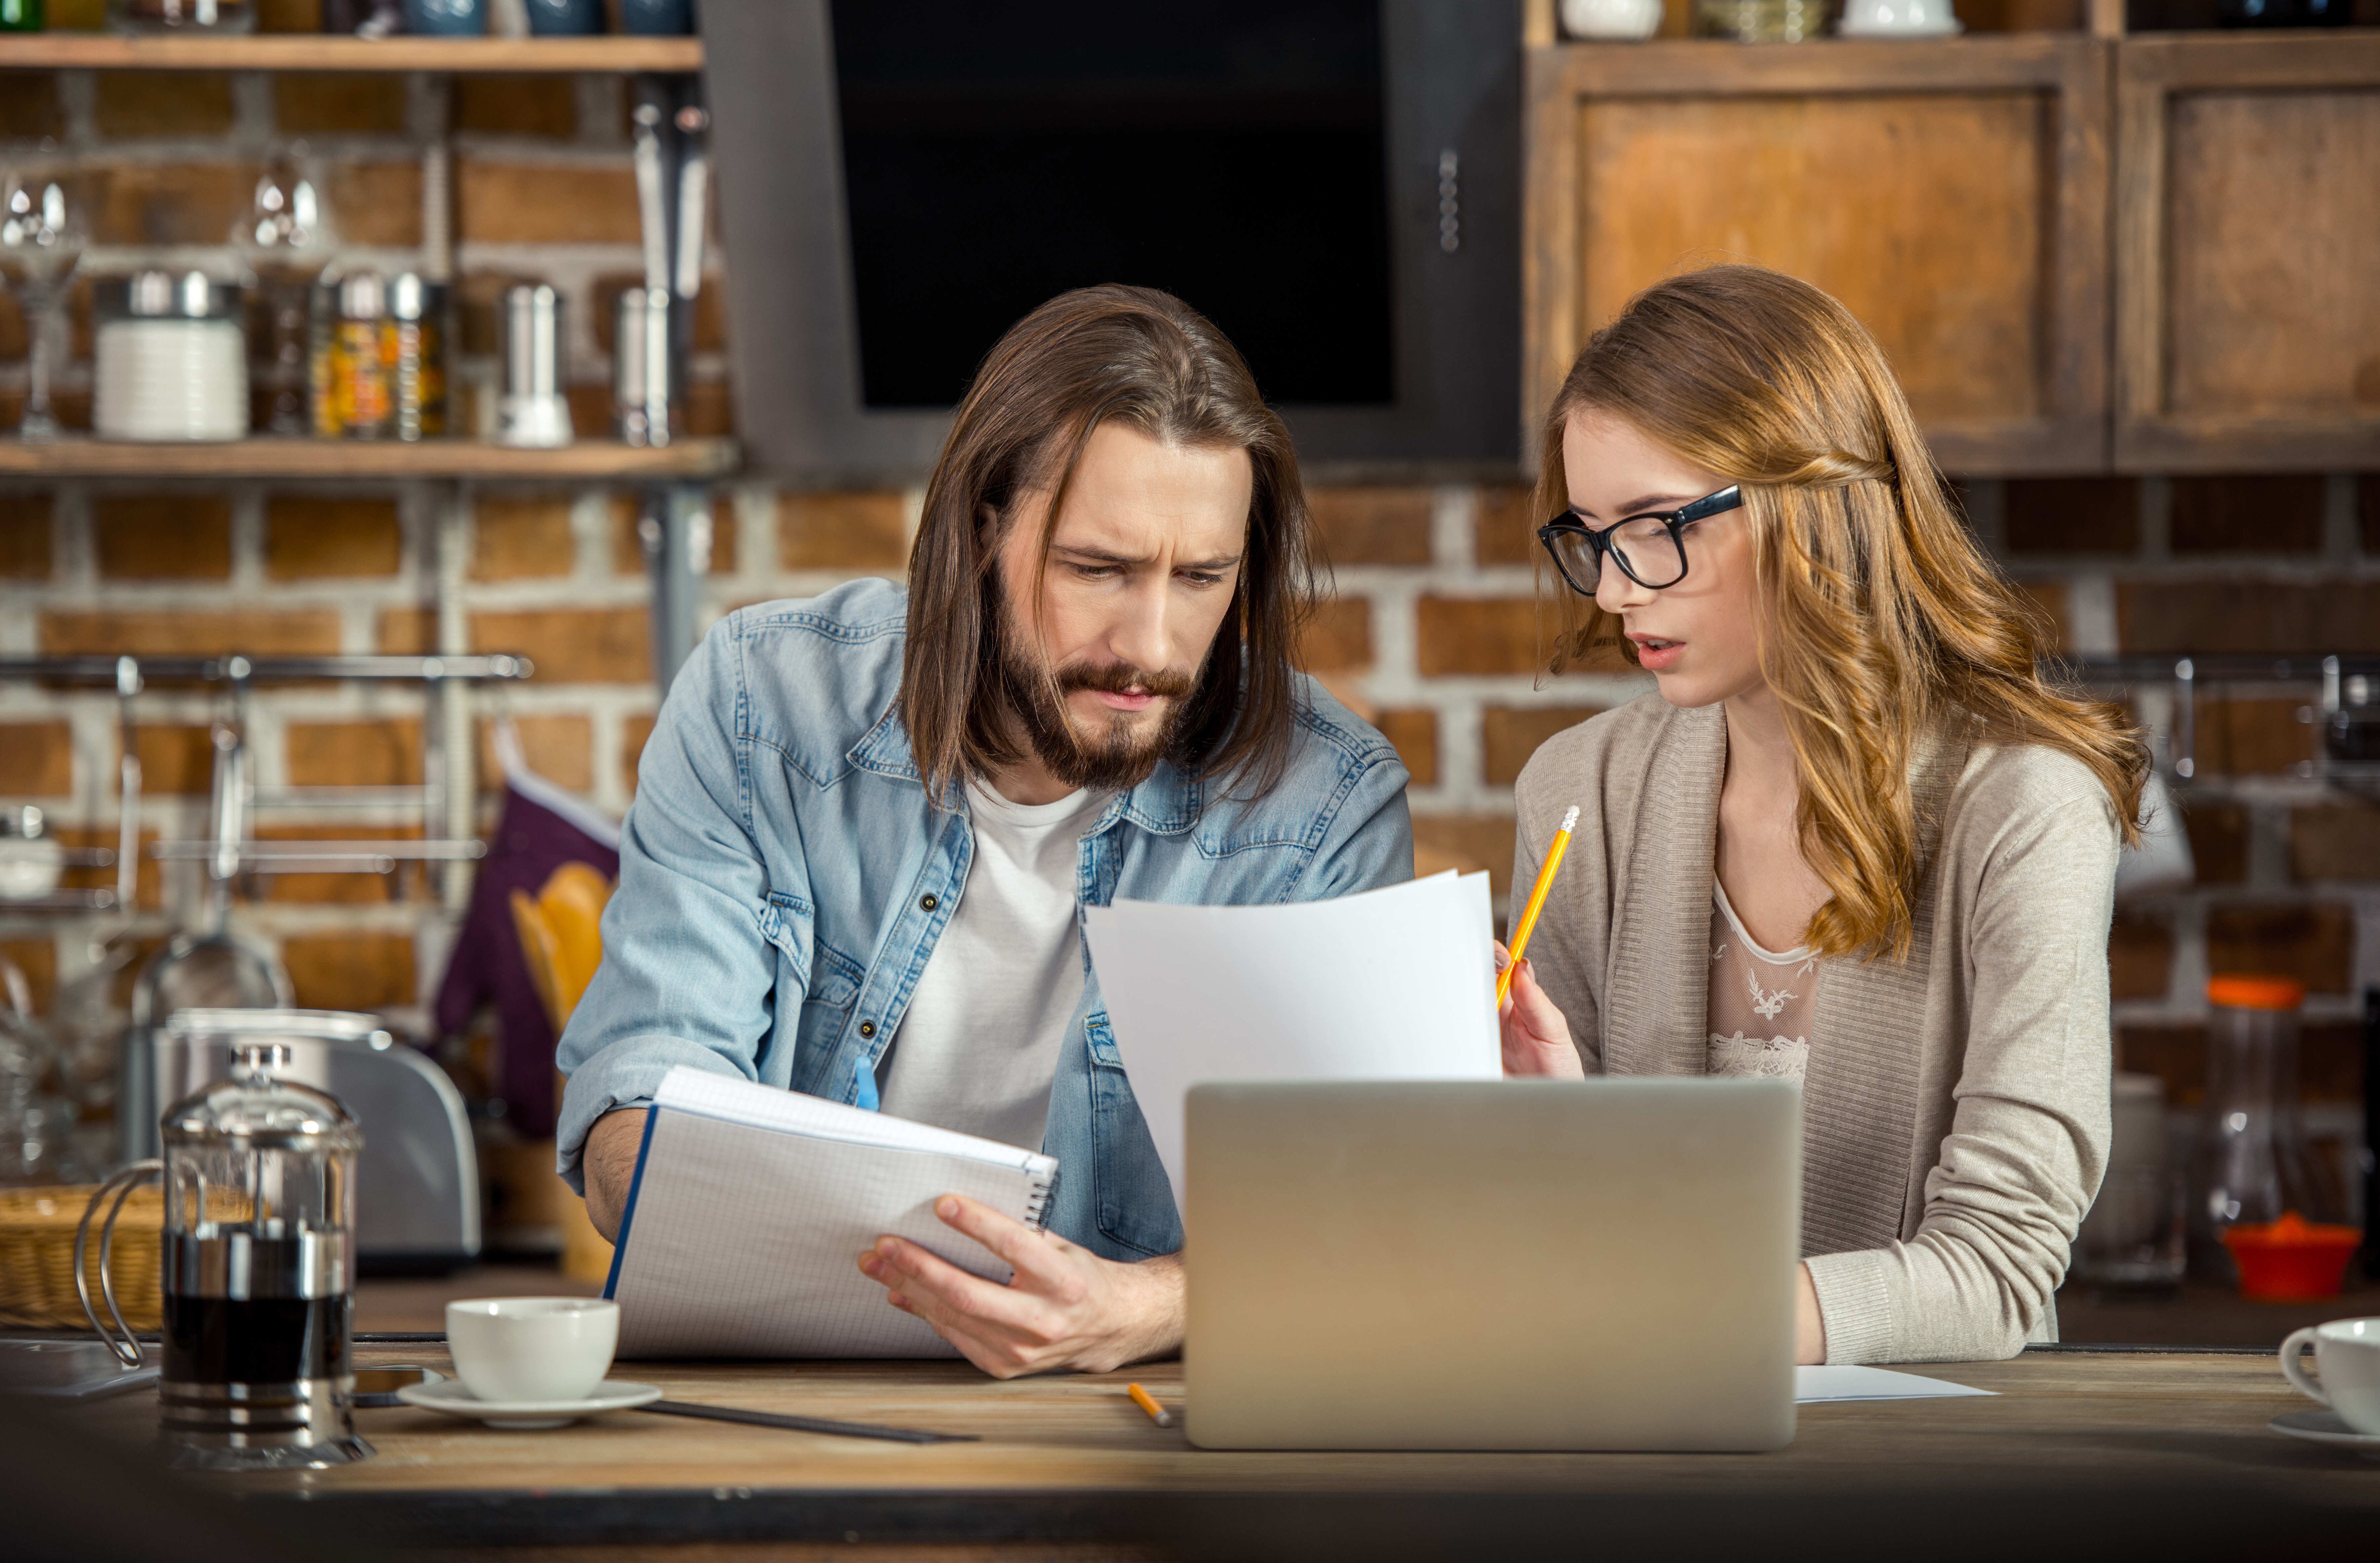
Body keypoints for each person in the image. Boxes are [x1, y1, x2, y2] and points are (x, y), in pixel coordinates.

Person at [556, 285, 1412, 1377]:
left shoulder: (1325, 802)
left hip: (1126, 1411)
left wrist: (1149, 1306)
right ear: (980, 531)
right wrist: (690, 1195)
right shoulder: (762, 702)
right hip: (799, 1390)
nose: (1149, 643)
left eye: (1201, 578)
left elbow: (1357, 1209)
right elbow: (643, 1092)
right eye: (1097, 569)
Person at [1497, 265, 2148, 1366]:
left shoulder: (2023, 807)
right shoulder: (1579, 794)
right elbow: (1563, 1257)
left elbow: (1999, 1266)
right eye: (1592, 536)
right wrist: (1560, 1145)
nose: (1612, 591)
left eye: (1656, 527)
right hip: (1656, 1454)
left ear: (1812, 508)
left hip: (1930, 1486)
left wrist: (1683, 1312)